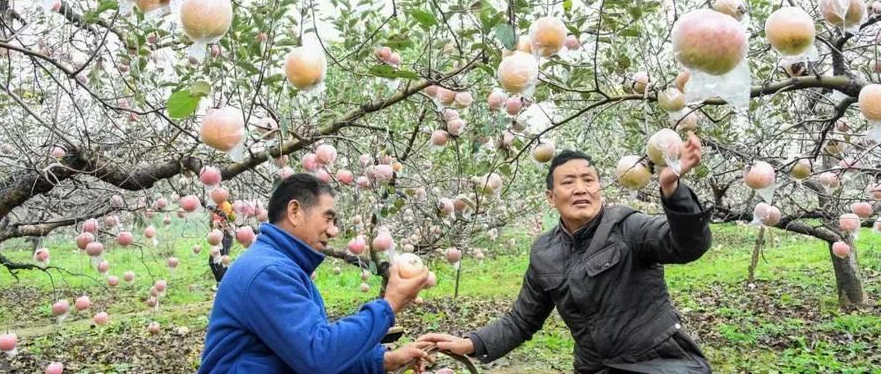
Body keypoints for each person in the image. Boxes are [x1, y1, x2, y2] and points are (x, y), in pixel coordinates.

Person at [420, 131, 714, 374]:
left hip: (658, 363)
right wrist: (471, 343)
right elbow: (522, 320)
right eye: (568, 182)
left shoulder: (628, 226)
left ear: (600, 189)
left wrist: (672, 189)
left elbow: (688, 245)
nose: (580, 189)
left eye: (588, 180)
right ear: (551, 197)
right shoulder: (545, 252)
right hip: (594, 368)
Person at [199, 173, 431, 373]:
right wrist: (389, 306)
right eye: (328, 218)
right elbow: (319, 356)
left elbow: (301, 352)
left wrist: (384, 360)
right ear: (295, 211)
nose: (334, 230)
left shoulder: (282, 266)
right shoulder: (268, 273)